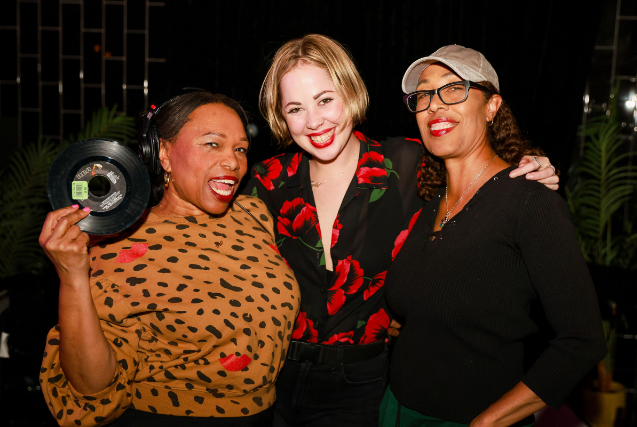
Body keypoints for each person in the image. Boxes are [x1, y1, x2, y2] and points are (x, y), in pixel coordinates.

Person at [246, 34, 559, 426]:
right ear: (280, 117)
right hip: (269, 378)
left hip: (361, 386)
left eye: (325, 100)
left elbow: (477, 158)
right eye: (295, 108)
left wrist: (530, 164)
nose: (313, 121)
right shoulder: (266, 181)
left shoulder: (409, 164)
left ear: (351, 93)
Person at [39, 90, 300, 427]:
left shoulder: (254, 215)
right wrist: (73, 276)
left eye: (240, 149)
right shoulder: (120, 245)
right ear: (162, 153)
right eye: (212, 144)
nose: (233, 162)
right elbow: (92, 385)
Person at [380, 45, 607, 426]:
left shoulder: (530, 201)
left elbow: (583, 341)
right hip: (395, 409)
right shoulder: (428, 201)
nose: (434, 105)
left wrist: (488, 422)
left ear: (492, 106)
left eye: (454, 88)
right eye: (423, 95)